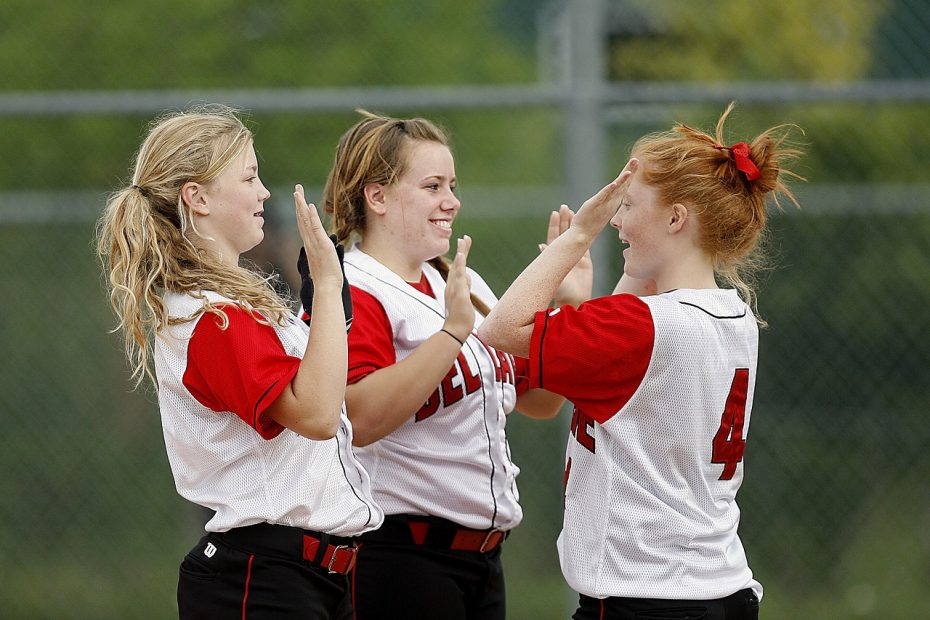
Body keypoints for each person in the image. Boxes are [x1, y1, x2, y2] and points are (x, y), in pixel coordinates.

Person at [477, 103, 803, 620]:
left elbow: (499, 328)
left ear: (676, 218)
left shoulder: (642, 328)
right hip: (719, 588)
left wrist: (575, 235)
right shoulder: (734, 315)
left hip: (647, 599)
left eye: (626, 205)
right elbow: (625, 355)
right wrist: (576, 301)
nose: (617, 221)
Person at [95, 105, 383, 619]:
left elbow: (314, 401)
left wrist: (322, 312)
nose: (263, 192)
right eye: (249, 176)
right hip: (263, 579)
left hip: (310, 575)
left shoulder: (235, 307)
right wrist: (333, 285)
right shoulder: (211, 317)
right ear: (197, 197)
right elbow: (316, 416)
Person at [307, 111, 588, 620]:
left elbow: (541, 402)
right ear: (378, 197)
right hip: (399, 558)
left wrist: (565, 308)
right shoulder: (354, 287)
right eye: (432, 185)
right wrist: (451, 333)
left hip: (481, 560)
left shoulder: (461, 282)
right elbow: (359, 419)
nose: (451, 201)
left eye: (452, 185)